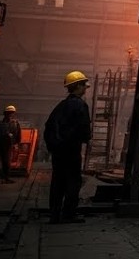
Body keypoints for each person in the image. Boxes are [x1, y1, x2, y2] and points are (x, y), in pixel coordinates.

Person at [44, 71, 92, 224]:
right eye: (84, 85)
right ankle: (69, 214)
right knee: (73, 181)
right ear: (78, 86)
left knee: (58, 182)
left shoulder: (61, 106)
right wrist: (85, 138)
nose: (85, 88)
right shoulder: (80, 105)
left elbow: (49, 126)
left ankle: (54, 214)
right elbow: (84, 129)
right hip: (71, 150)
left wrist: (54, 147)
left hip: (58, 152)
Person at [0, 105, 22, 183]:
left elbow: (18, 135)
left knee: (6, 162)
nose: (10, 114)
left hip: (7, 145)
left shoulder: (15, 124)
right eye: (9, 113)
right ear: (5, 114)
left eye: (12, 113)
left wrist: (15, 143)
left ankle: (6, 178)